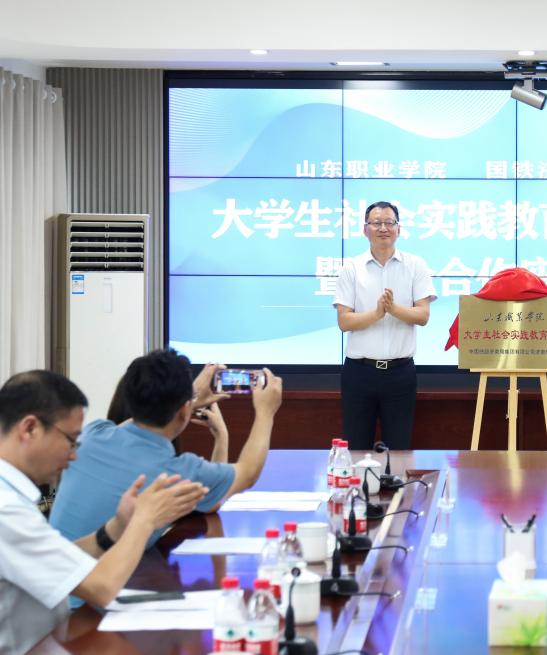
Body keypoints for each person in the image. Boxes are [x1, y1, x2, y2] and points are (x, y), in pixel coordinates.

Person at [0, 370, 207, 655]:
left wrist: (116, 528)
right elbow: (102, 588)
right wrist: (144, 520)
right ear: (30, 429)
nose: (73, 455)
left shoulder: (10, 498)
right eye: (71, 440)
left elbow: (56, 557)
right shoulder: (6, 510)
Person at [50, 349, 283, 547]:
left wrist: (189, 400)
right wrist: (266, 412)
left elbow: (136, 421)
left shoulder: (92, 434)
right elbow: (248, 472)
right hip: (98, 586)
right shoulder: (178, 473)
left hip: (50, 578)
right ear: (184, 411)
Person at [333, 201, 437, 450]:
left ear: (398, 229)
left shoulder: (415, 265)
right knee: (356, 448)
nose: (383, 228)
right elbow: (344, 321)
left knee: (398, 450)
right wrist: (378, 313)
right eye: (376, 223)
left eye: (389, 222)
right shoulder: (351, 268)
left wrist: (393, 309)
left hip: (400, 374)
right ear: (365, 229)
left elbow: (423, 316)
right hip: (359, 372)